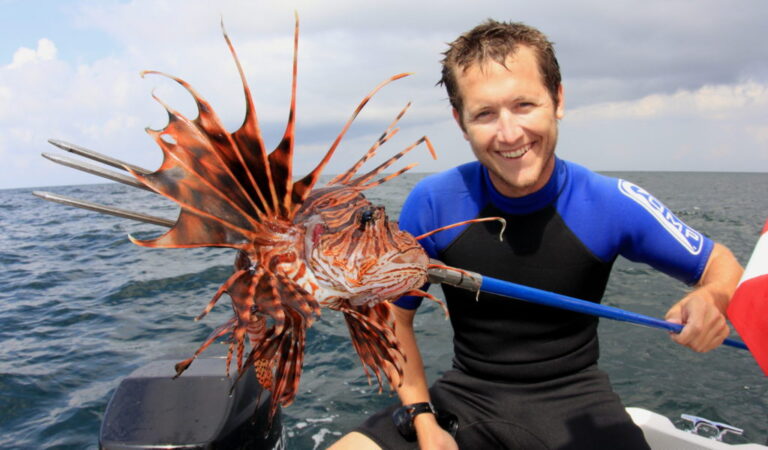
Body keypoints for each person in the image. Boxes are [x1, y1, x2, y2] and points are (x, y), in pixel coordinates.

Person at [330, 19, 743, 449]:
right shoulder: (433, 202)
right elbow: (393, 317)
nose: (509, 134)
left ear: (558, 99)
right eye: (485, 114)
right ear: (459, 120)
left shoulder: (612, 202)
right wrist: (421, 418)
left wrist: (711, 299)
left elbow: (720, 266)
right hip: (467, 399)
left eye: (524, 105)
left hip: (579, 403)